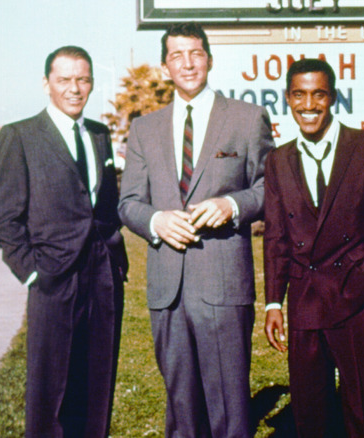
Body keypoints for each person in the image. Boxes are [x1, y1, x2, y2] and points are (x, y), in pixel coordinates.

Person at [118, 22, 274, 437]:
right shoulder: (143, 129)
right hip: (167, 289)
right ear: (165, 66)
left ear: (209, 58)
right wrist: (156, 221)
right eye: (177, 56)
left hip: (223, 285)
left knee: (230, 407)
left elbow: (270, 187)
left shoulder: (246, 118)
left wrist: (232, 205)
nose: (187, 64)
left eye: (195, 53)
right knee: (181, 408)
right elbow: (128, 202)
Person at [263, 58, 364, 438]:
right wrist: (274, 302)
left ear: (333, 98)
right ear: (287, 99)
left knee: (363, 407)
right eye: (299, 95)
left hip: (354, 297)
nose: (308, 104)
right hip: (304, 301)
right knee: (310, 412)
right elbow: (276, 237)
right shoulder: (277, 161)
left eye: (318, 94)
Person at [0, 45, 128, 437]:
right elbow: (4, 218)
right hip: (53, 280)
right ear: (46, 83)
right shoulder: (20, 136)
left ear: (92, 84)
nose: (74, 88)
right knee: (51, 388)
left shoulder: (98, 135)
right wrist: (33, 273)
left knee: (98, 382)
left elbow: (104, 205)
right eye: (64, 80)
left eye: (83, 80)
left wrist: (114, 262)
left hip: (102, 278)